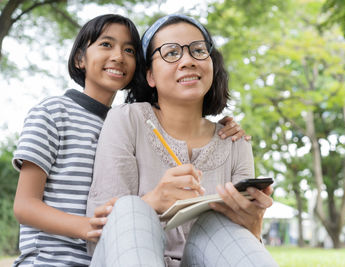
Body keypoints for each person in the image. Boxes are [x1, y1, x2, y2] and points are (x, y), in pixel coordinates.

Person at [11, 13, 247, 266]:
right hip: (50, 260)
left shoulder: (128, 124)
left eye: (130, 50)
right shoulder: (53, 112)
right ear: (80, 58)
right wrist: (89, 226)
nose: (118, 56)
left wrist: (225, 127)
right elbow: (24, 206)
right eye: (106, 44)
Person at [86, 14, 278, 267]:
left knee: (219, 224)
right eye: (171, 53)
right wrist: (151, 202)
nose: (188, 61)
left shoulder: (235, 142)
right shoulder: (126, 120)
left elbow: (237, 248)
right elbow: (100, 234)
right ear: (150, 76)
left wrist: (254, 225)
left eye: (198, 50)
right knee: (130, 208)